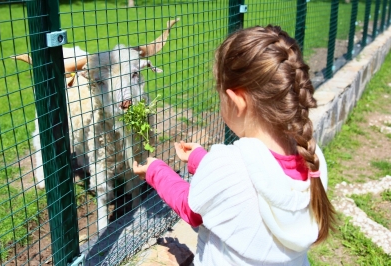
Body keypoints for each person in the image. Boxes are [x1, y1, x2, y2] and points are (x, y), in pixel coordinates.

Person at [133, 25, 336, 265]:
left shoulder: (227, 165)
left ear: (235, 101)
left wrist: (157, 171)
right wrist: (200, 158)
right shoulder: (313, 157)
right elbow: (251, 170)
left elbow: (191, 211)